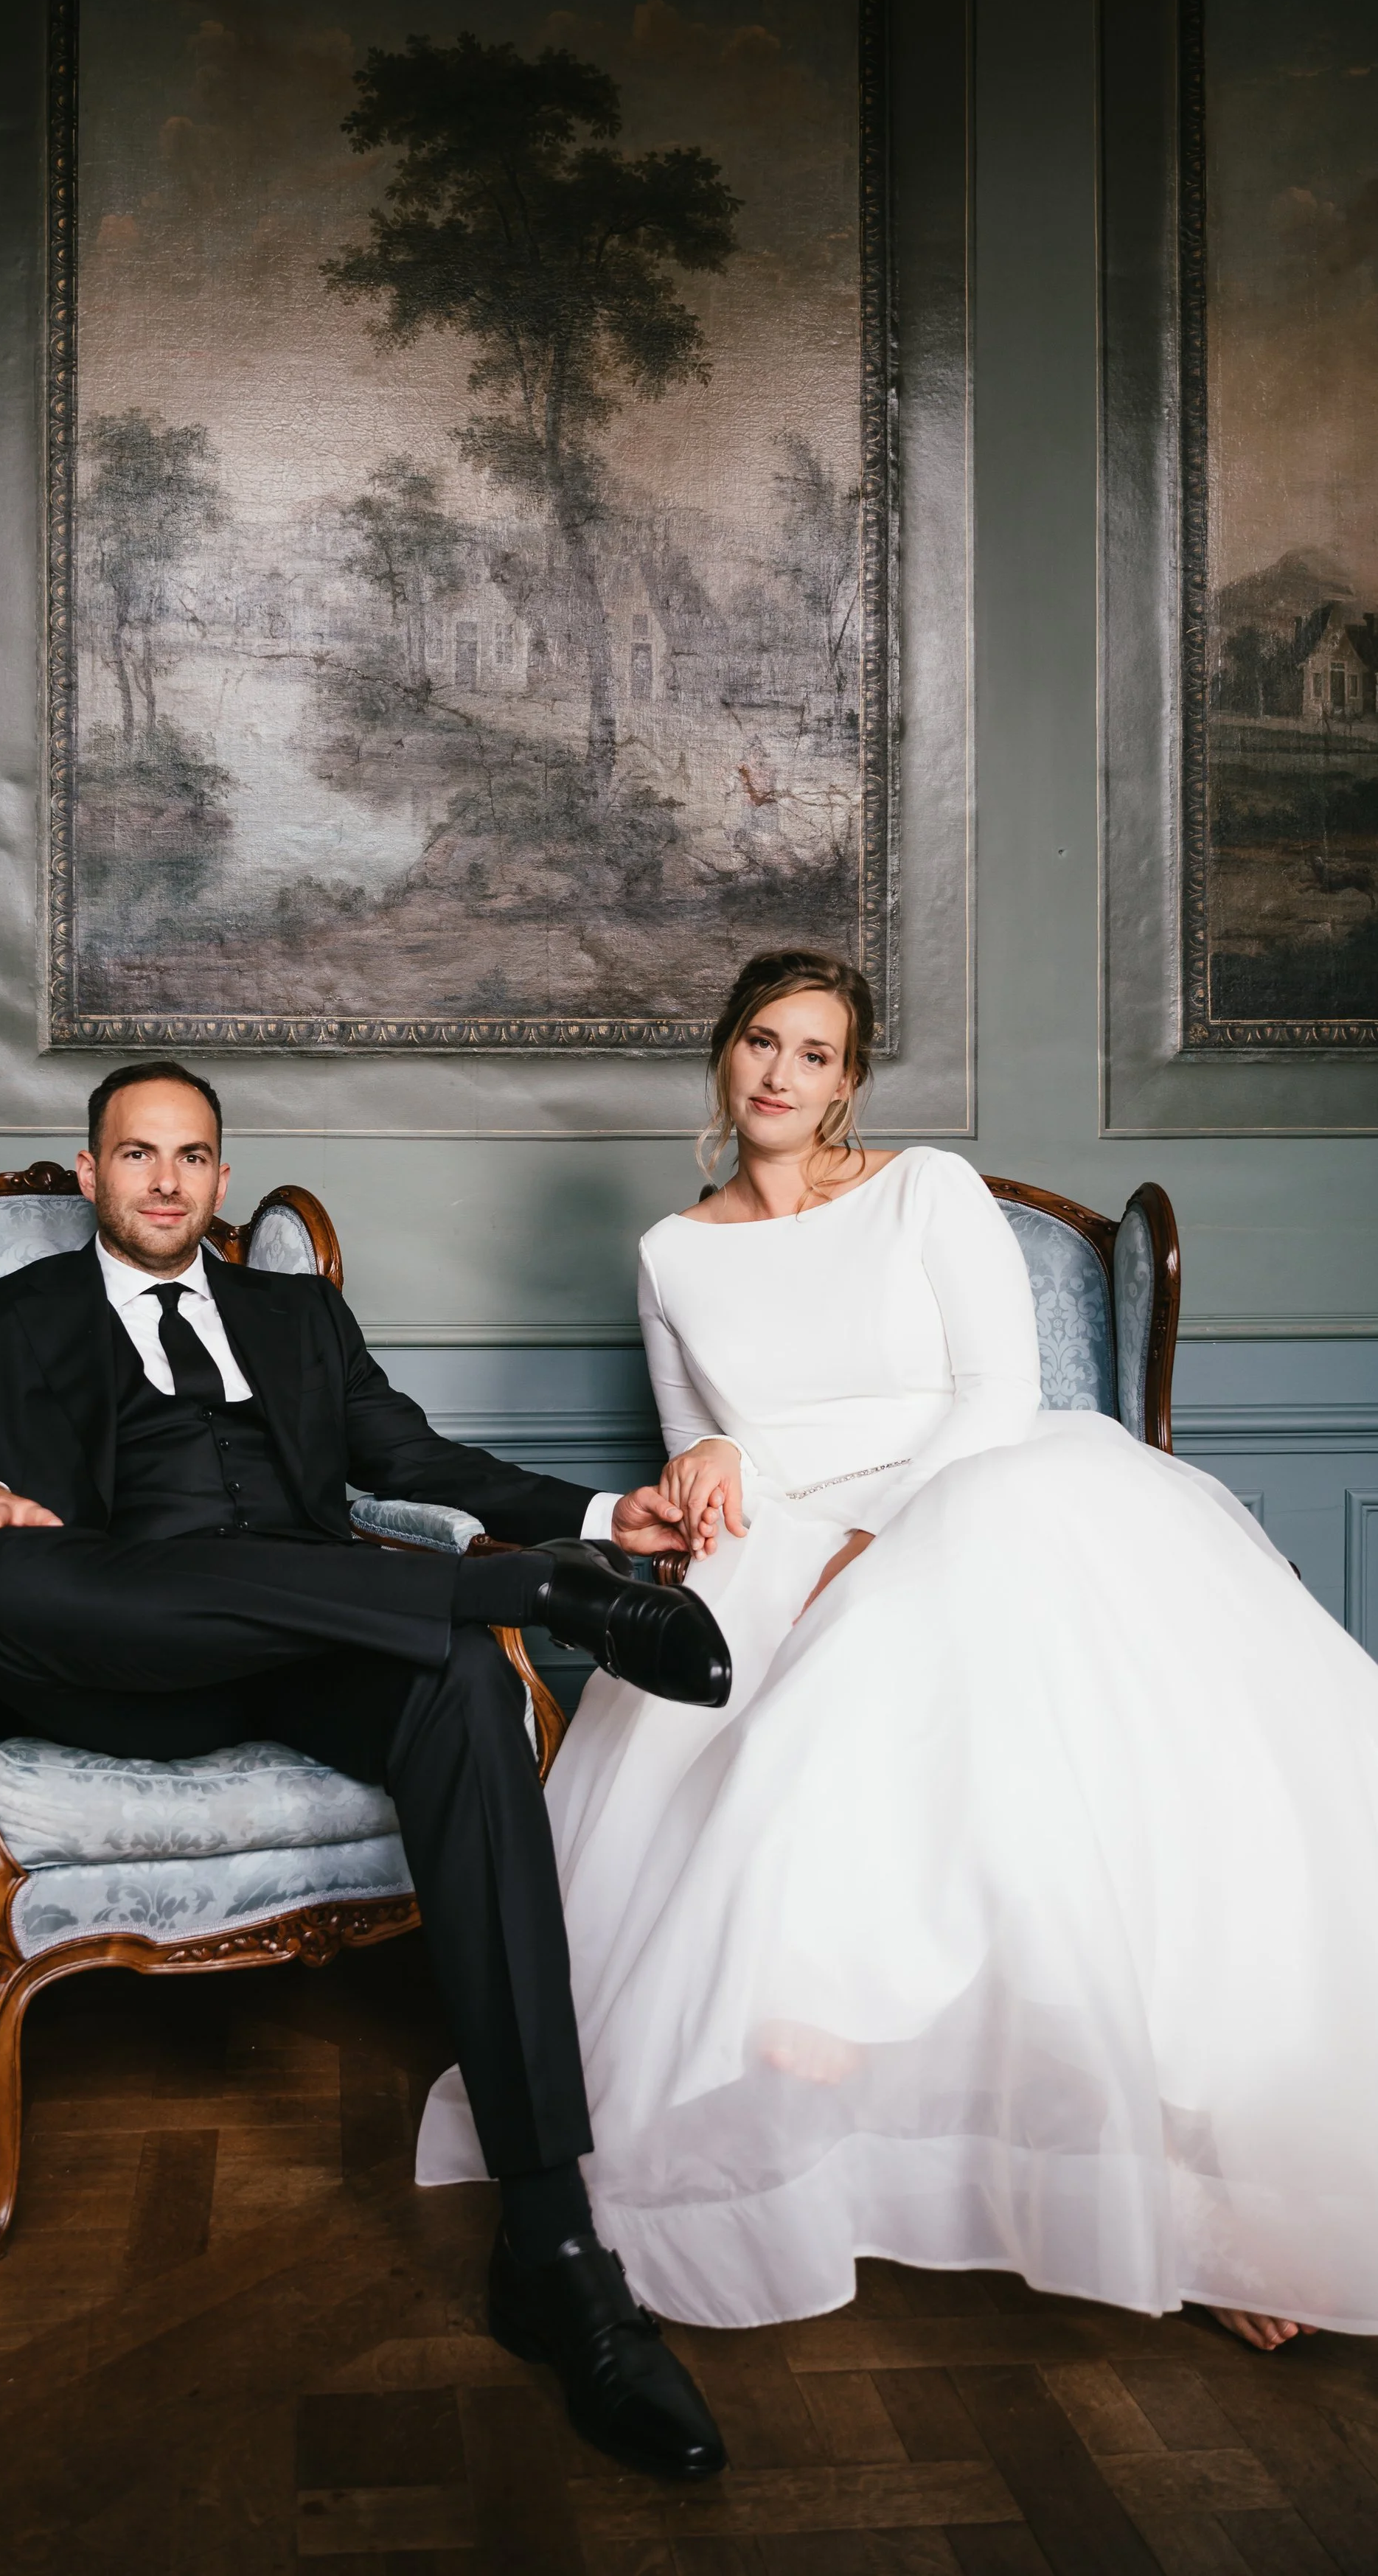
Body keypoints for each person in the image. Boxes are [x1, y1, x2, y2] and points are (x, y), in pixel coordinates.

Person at [418, 949, 1378, 2353]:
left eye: (815, 1054)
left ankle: (1185, 2180)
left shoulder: (927, 1188)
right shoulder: (672, 1252)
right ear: (725, 1055)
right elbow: (692, 1442)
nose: (782, 1075)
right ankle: (831, 2083)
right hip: (791, 1533)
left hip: (984, 1493)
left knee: (1002, 1701)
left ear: (848, 1080)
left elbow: (999, 1393)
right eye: (761, 1042)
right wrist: (716, 1468)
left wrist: (896, 1546)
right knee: (759, 1686)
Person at [0, 1059, 733, 2479]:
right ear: (90, 1174)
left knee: (456, 1697)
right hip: (131, 1654)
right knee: (9, 1583)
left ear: (222, 1178)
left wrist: (598, 1511)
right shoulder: (4, 1321)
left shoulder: (298, 1313)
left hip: (314, 1649)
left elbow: (410, 1457)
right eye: (137, 1155)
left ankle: (555, 2249)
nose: (167, 1182)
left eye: (192, 1156)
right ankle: (533, 1605)